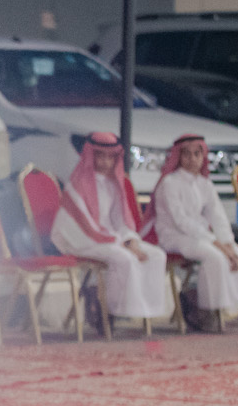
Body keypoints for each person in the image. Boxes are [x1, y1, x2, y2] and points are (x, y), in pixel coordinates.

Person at [51, 131, 173, 327]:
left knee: (157, 255)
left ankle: (145, 311)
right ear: (90, 155)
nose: (106, 162)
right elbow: (85, 224)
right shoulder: (78, 183)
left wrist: (131, 241)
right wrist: (124, 245)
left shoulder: (115, 184)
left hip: (110, 238)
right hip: (81, 238)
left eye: (110, 157)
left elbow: (121, 220)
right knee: (124, 258)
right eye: (100, 156)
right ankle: (111, 310)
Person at [152, 134, 238, 331]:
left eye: (197, 154)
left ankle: (207, 305)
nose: (192, 159)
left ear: (203, 157)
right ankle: (206, 312)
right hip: (174, 236)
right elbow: (181, 222)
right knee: (215, 257)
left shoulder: (205, 184)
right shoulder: (169, 183)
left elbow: (218, 217)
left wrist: (227, 243)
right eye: (187, 154)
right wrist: (216, 244)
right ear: (178, 157)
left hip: (202, 237)